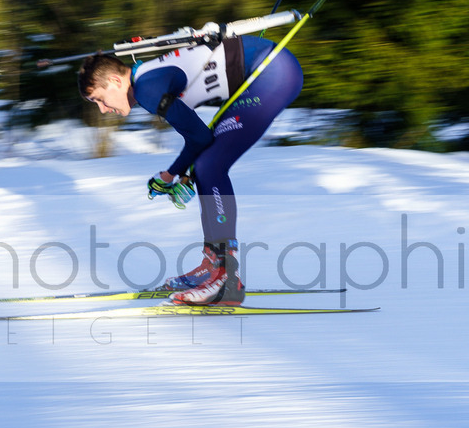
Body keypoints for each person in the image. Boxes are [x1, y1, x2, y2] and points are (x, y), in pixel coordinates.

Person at [77, 31, 303, 305]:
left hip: (271, 72)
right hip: (265, 72)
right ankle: (213, 267)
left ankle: (226, 278)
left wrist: (170, 175)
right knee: (204, 166)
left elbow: (199, 138)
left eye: (99, 99)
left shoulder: (147, 88)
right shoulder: (146, 79)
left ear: (114, 81)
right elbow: (199, 139)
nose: (102, 109)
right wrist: (181, 174)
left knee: (210, 165)